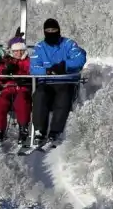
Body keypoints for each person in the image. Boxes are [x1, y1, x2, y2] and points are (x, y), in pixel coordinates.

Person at [29, 18, 87, 148]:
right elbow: (33, 68)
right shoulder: (40, 47)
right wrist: (47, 71)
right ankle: (39, 131)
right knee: (39, 95)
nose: (51, 32)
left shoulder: (68, 44)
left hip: (65, 81)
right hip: (47, 82)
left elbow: (80, 58)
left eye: (54, 30)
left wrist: (65, 66)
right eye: (48, 30)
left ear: (59, 30)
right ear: (44, 32)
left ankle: (55, 131)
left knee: (64, 96)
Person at [0, 34, 33, 146]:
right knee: (0, 102)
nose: (18, 54)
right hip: (8, 87)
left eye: (21, 51)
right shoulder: (6, 61)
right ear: (11, 51)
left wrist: (23, 79)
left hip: (22, 88)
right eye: (16, 51)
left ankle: (23, 128)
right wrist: (5, 72)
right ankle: (0, 130)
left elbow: (32, 73)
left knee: (22, 101)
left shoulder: (28, 61)